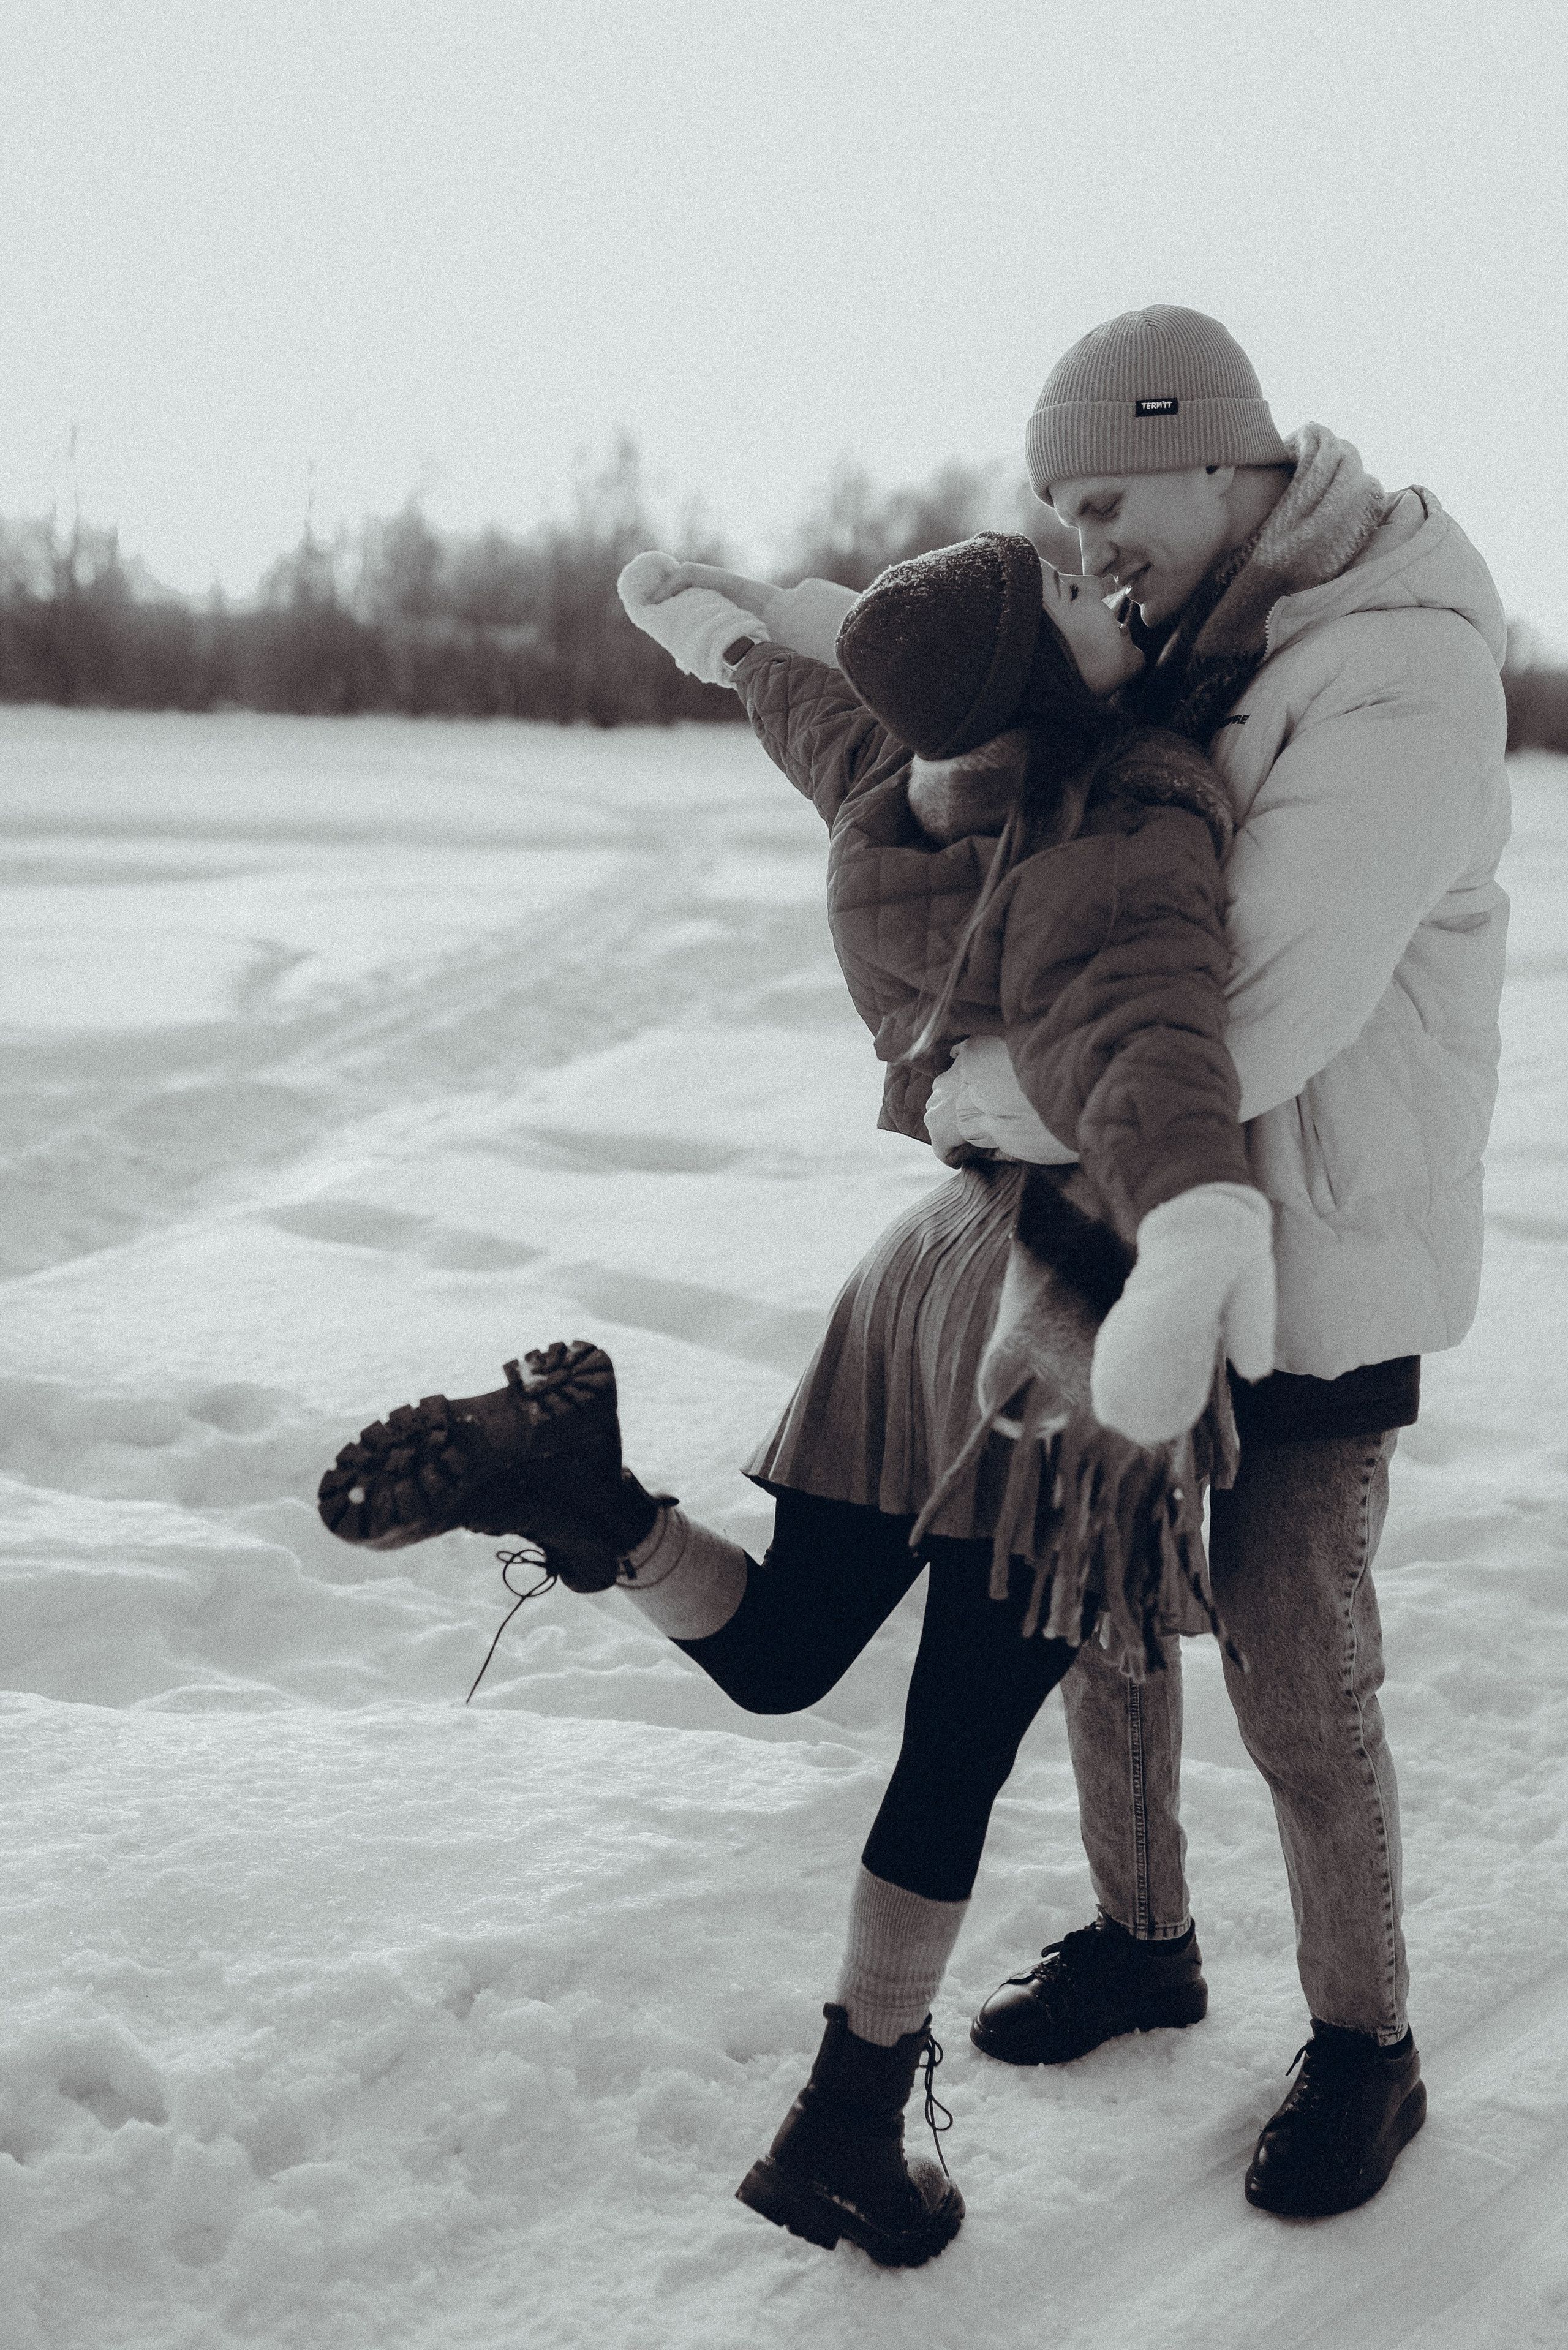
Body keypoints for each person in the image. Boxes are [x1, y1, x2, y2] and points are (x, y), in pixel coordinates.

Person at [315, 527, 1278, 2265]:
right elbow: (1147, 1037)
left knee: (785, 1655)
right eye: (1071, 596)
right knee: (958, 1745)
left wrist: (727, 628)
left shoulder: (893, 797)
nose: (1099, 579)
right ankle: (847, 2119)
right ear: (1046, 690)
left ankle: (588, 1502)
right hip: (1058, 1305)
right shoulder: (1108, 812)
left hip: (919, 1270)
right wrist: (1203, 1221)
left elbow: (814, 710)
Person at [654, 304, 1510, 2223]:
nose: (1085, 539)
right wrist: (798, 650)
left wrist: (962, 1074)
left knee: (1294, 1663)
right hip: (1132, 1246)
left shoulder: (1392, 674)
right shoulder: (1197, 631)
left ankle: (1366, 2043)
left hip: (1317, 1245)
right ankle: (1146, 1943)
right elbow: (955, 739)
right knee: (1106, 1614)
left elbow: (1250, 1012)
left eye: (1105, 495)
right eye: (1055, 512)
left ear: (1221, 454)